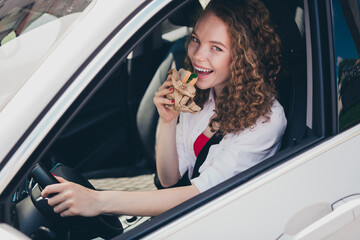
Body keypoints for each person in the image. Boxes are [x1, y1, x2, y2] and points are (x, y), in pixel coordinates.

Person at [42, 0, 287, 217]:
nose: (197, 56)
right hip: (191, 208)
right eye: (196, 40)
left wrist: (98, 200)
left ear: (244, 57)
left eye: (216, 48)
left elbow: (200, 195)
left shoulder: (266, 120)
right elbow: (169, 179)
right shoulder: (200, 95)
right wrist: (167, 120)